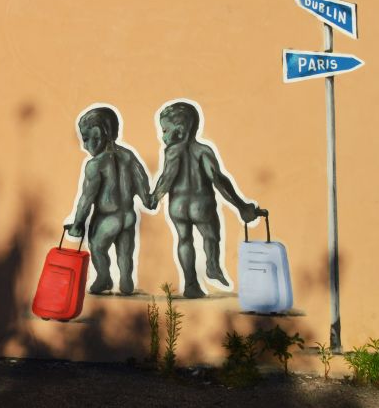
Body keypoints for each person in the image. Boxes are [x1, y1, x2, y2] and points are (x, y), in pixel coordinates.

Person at [150, 100, 261, 298]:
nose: (162, 135)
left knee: (184, 240)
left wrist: (154, 197)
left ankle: (191, 284)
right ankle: (212, 265)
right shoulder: (203, 151)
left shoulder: (171, 152)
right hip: (201, 205)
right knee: (211, 236)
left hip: (177, 206)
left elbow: (166, 179)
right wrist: (240, 205)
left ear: (180, 130)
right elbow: (218, 179)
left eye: (165, 130)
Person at [66, 105, 153, 295]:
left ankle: (104, 278)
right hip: (129, 215)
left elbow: (86, 199)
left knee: (97, 247)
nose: (84, 145)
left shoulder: (95, 165)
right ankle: (126, 281)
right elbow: (142, 182)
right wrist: (148, 200)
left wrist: (78, 223)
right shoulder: (129, 156)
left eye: (87, 138)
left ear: (100, 135)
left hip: (108, 218)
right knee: (125, 252)